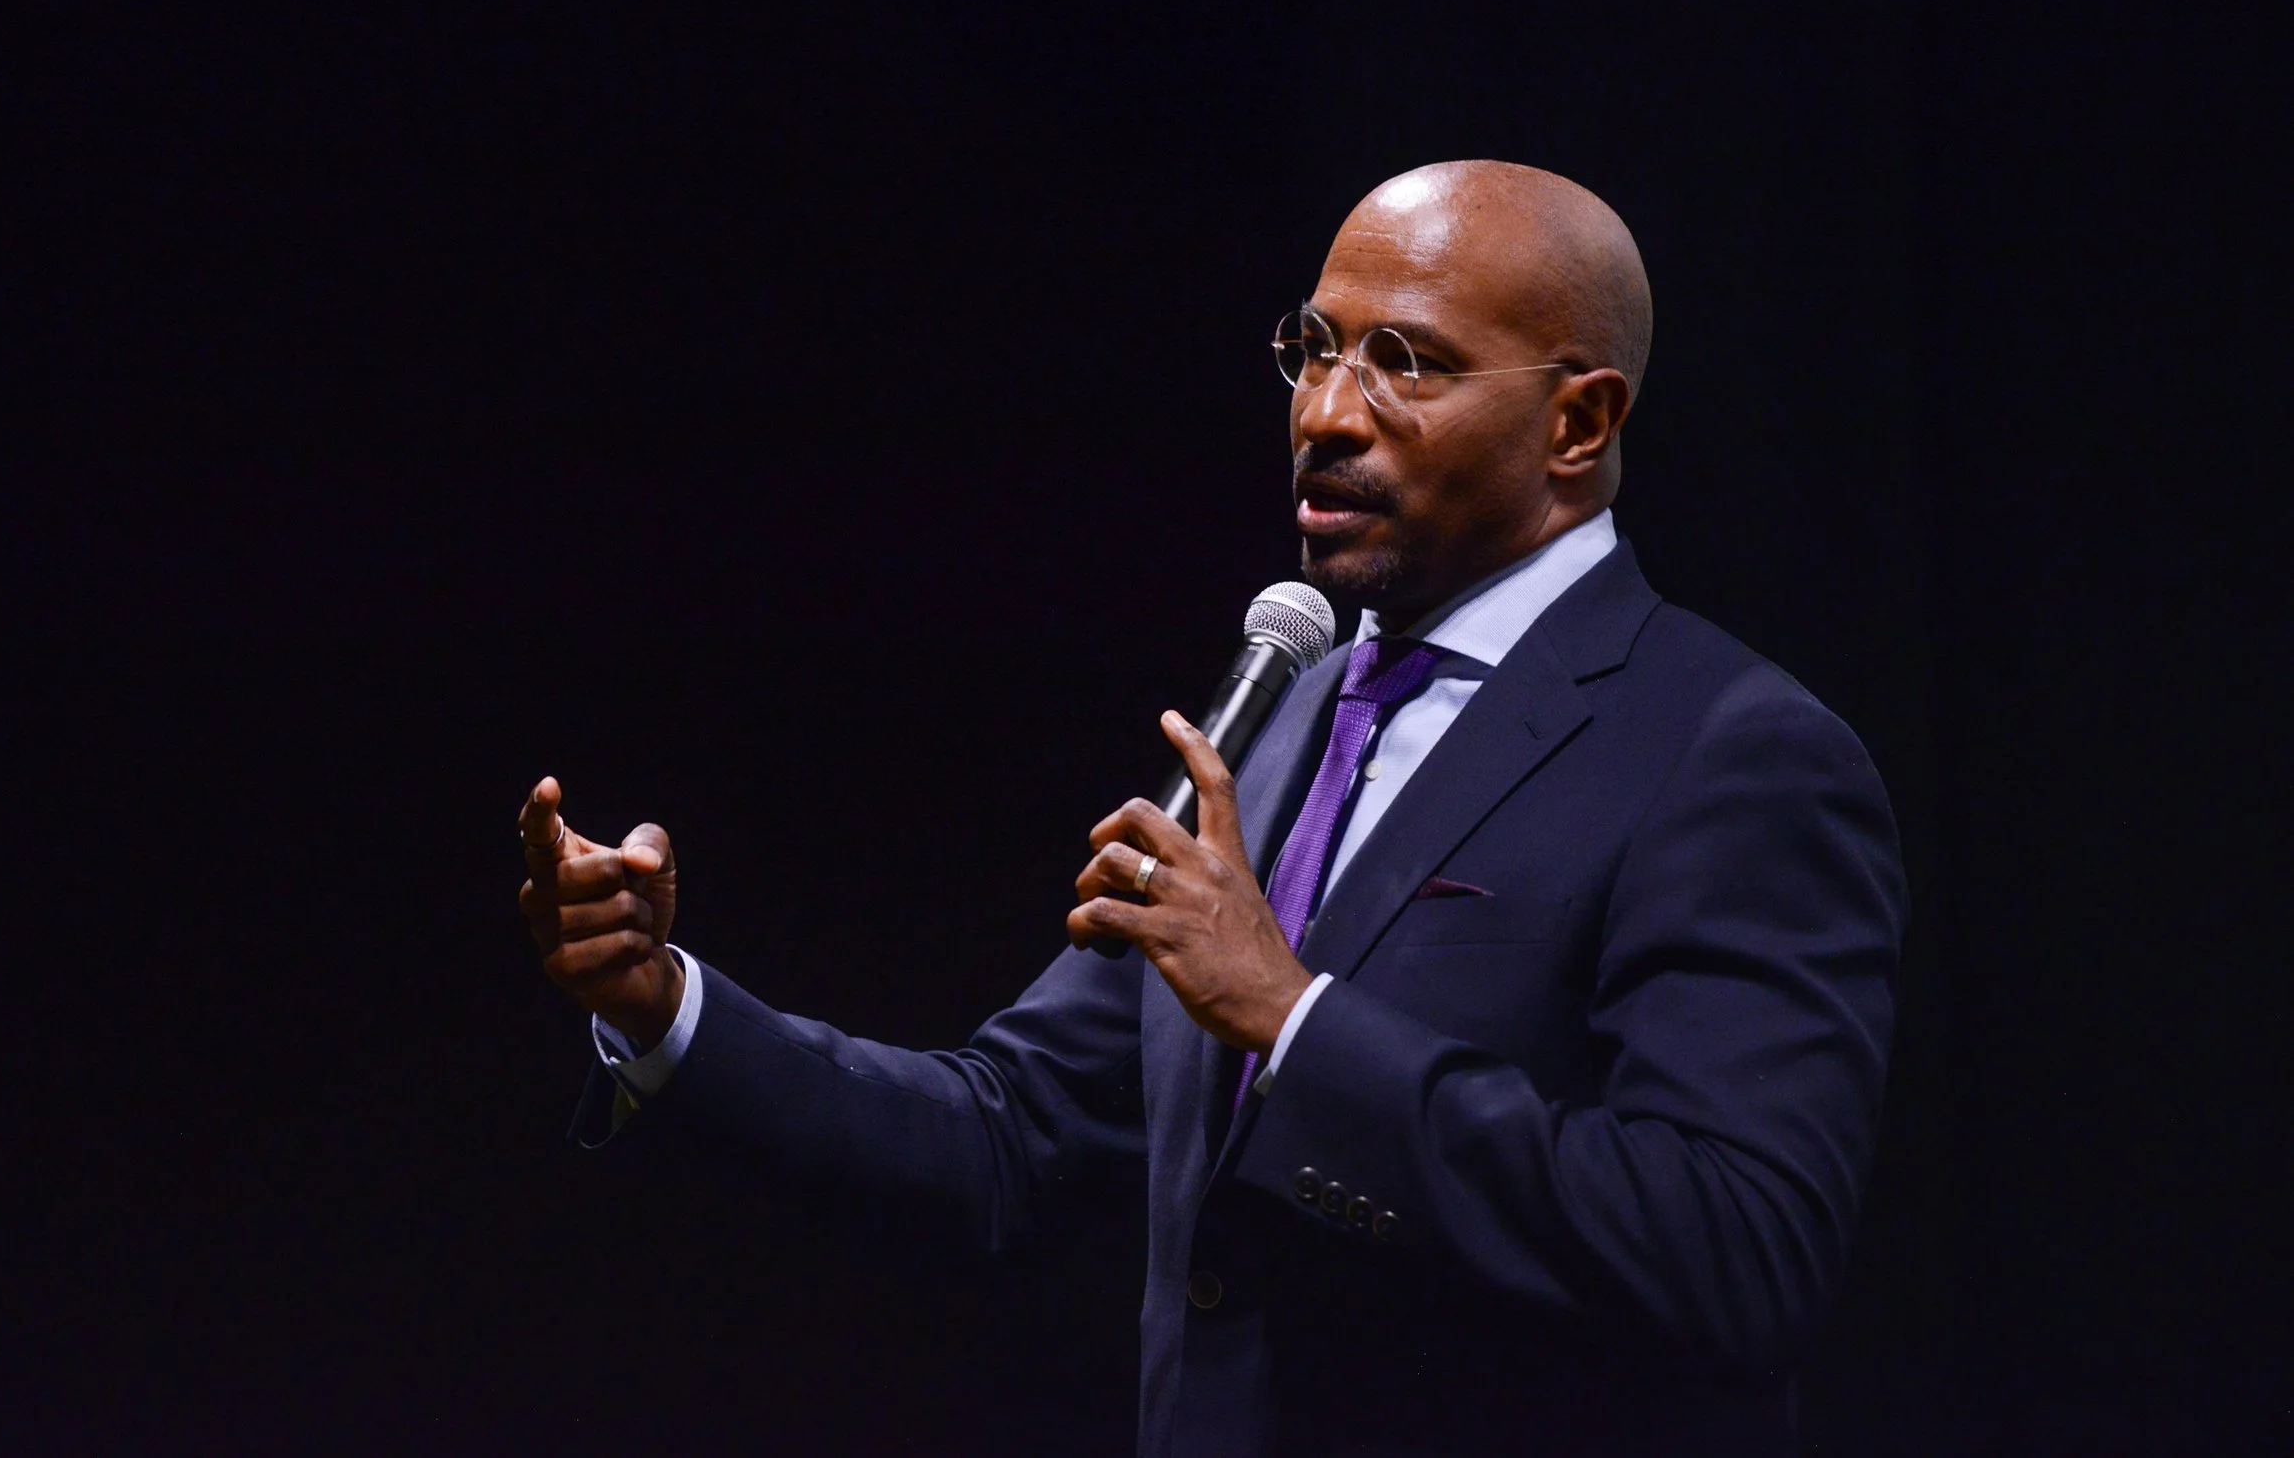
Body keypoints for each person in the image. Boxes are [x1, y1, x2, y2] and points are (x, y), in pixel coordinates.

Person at [514, 161, 1907, 1458]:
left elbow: (1738, 1254)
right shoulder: (1288, 715)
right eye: (1316, 347)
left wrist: (1293, 1017)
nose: (1327, 414)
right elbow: (1004, 1134)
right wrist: (665, 1008)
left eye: (1406, 362)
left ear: (1579, 422)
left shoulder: (1733, 753)